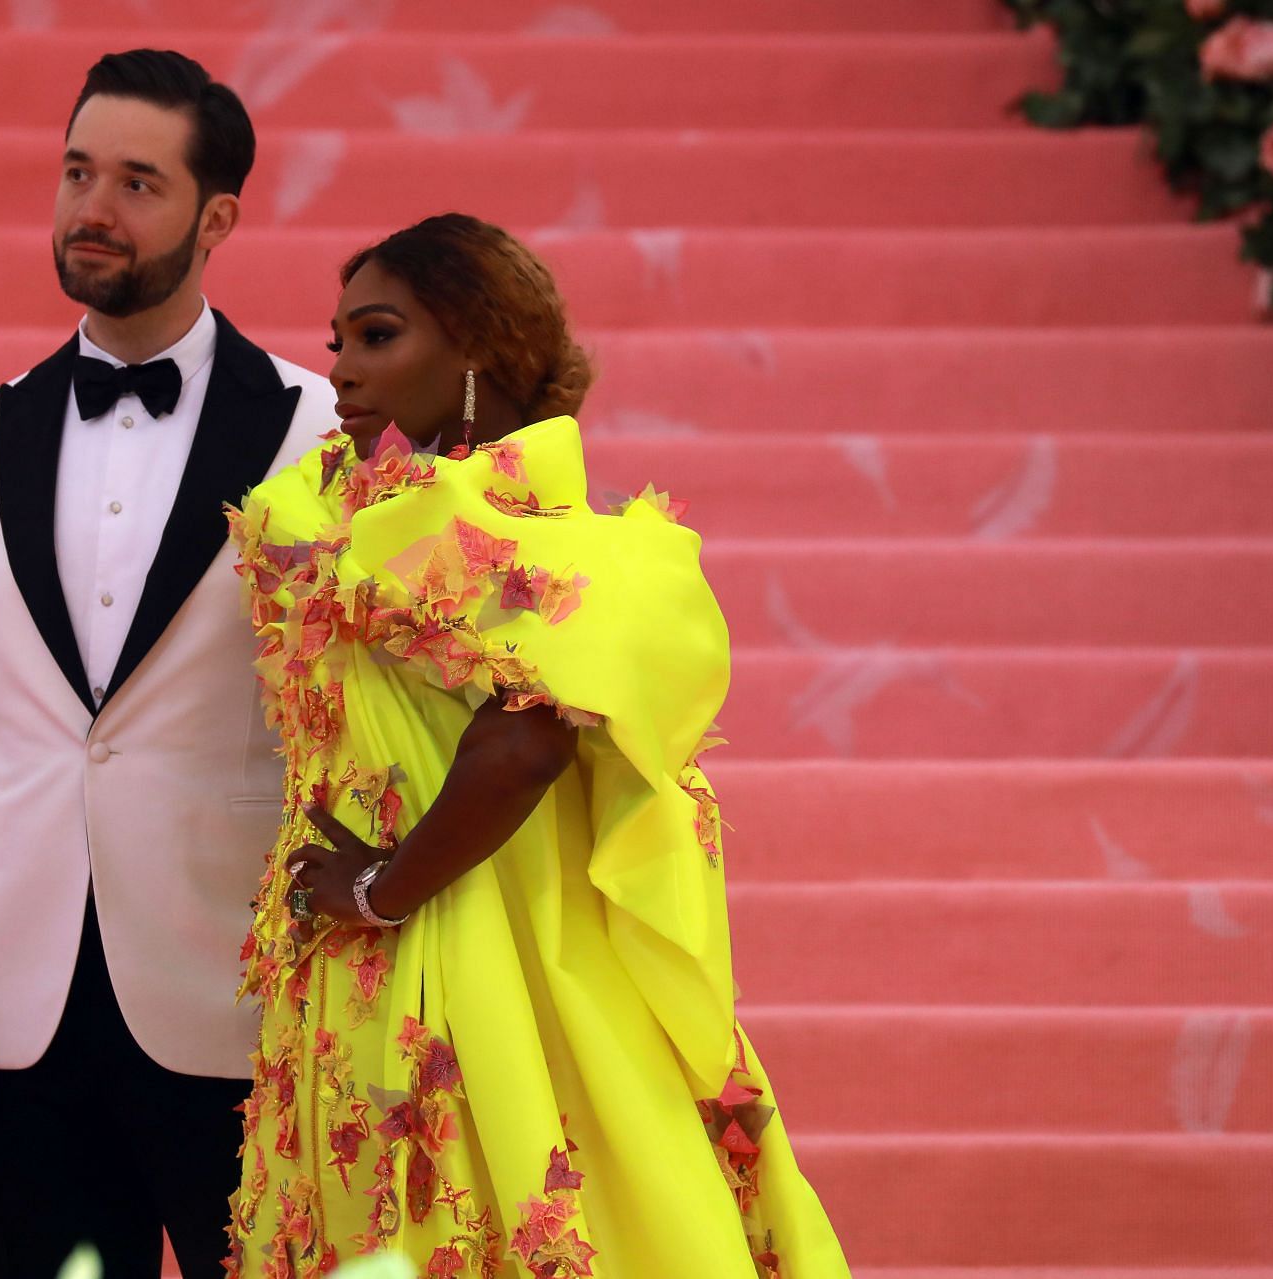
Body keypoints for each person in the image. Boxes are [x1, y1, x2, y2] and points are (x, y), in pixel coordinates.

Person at [223, 213, 850, 1277]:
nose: (341, 372)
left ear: (477, 347)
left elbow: (523, 752)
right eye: (336, 342)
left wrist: (378, 888)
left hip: (464, 949)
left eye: (377, 336)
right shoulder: (370, 518)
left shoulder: (541, 550)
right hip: (406, 952)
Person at [0, 49, 335, 1278]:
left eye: (139, 181)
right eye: (79, 171)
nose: (94, 207)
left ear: (217, 215)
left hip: (245, 1003)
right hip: (18, 1021)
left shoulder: (317, 430)